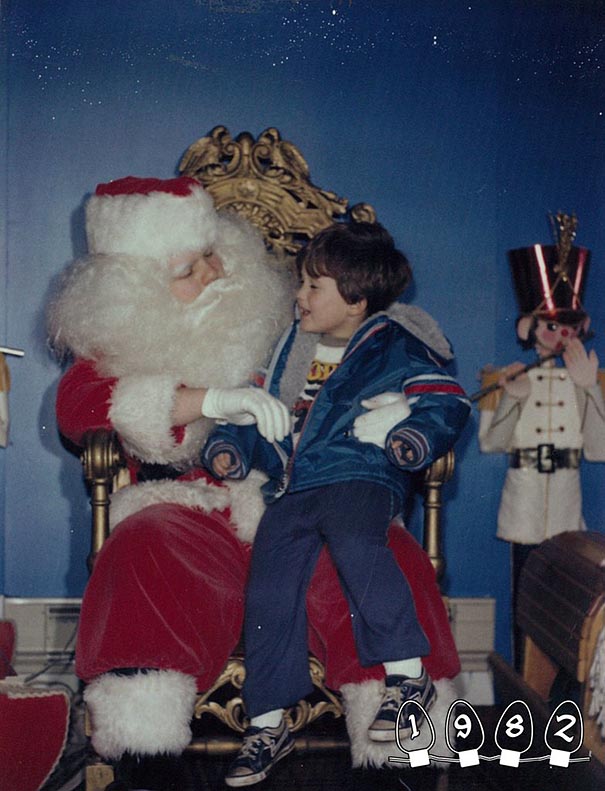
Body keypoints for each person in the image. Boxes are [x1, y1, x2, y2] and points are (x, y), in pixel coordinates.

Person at [49, 177, 463, 787]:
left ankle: (408, 748)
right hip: (185, 509)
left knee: (384, 557)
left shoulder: (279, 321)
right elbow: (78, 408)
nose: (218, 272)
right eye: (193, 267)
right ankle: (147, 757)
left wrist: (405, 407)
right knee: (143, 549)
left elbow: (372, 355)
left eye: (216, 252)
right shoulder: (119, 344)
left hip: (299, 496)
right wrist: (208, 400)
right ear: (134, 293)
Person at [203, 221, 471, 787]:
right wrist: (230, 447)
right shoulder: (286, 351)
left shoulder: (390, 344)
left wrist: (410, 437)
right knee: (270, 581)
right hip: (295, 486)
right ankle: (268, 722)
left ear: (355, 299)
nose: (298, 297)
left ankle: (406, 677)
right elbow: (256, 416)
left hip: (359, 473)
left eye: (312, 287)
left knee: (356, 543)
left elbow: (445, 399)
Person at [478, 238, 605, 666]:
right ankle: (524, 695)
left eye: (567, 326)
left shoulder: (591, 380)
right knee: (527, 608)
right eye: (550, 325)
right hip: (524, 507)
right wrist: (513, 397)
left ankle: (565, 701)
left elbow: (600, 450)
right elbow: (490, 442)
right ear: (530, 328)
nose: (559, 336)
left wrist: (589, 387)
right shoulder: (502, 376)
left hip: (568, 510)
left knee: (570, 609)